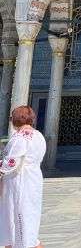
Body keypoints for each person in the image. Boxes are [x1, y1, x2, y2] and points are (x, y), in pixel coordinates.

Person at [1, 106, 46, 248]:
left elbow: (11, 163)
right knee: (30, 221)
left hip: (19, 182)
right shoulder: (38, 135)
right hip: (33, 180)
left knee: (18, 222)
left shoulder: (20, 138)